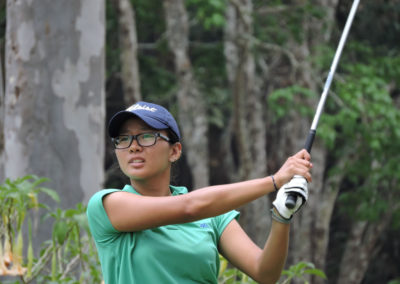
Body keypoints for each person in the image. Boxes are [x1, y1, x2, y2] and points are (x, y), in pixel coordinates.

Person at [87, 101, 312, 284]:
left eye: (146, 136)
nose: (133, 146)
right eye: (124, 139)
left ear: (174, 151)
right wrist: (273, 181)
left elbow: (264, 273)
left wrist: (282, 217)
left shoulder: (214, 216)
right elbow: (189, 208)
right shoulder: (107, 206)